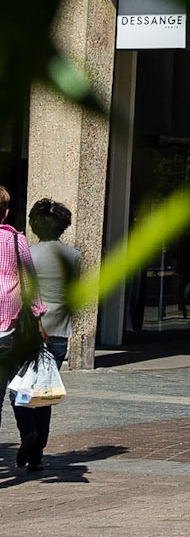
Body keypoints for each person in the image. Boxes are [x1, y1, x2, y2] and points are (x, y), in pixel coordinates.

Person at [12, 198, 79, 473]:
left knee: (19, 389)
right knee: (44, 393)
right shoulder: (73, 256)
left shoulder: (26, 254)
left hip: (27, 330)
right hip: (59, 332)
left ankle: (28, 433)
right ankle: (37, 455)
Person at [0, 186, 45, 461]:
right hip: (12, 328)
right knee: (18, 385)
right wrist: (39, 316)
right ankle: (28, 431)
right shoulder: (17, 241)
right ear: (5, 213)